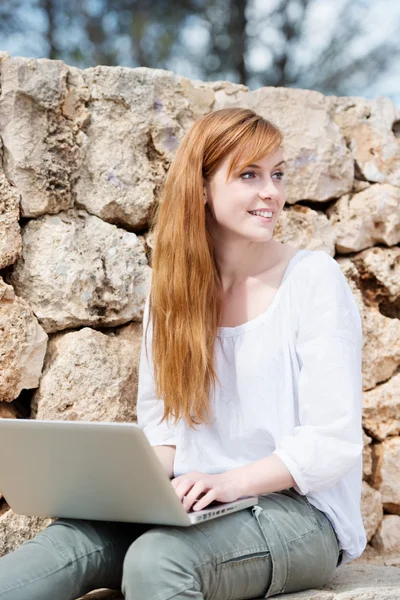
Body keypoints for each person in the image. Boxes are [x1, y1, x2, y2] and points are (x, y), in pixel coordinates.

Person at [0, 107, 366, 600]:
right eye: (249, 175)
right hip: (191, 499)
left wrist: (232, 482)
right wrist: (125, 488)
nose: (272, 193)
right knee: (62, 549)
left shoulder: (314, 280)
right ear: (201, 186)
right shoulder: (173, 291)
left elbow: (332, 442)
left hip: (300, 512)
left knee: (158, 560)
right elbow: (166, 425)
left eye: (277, 174)